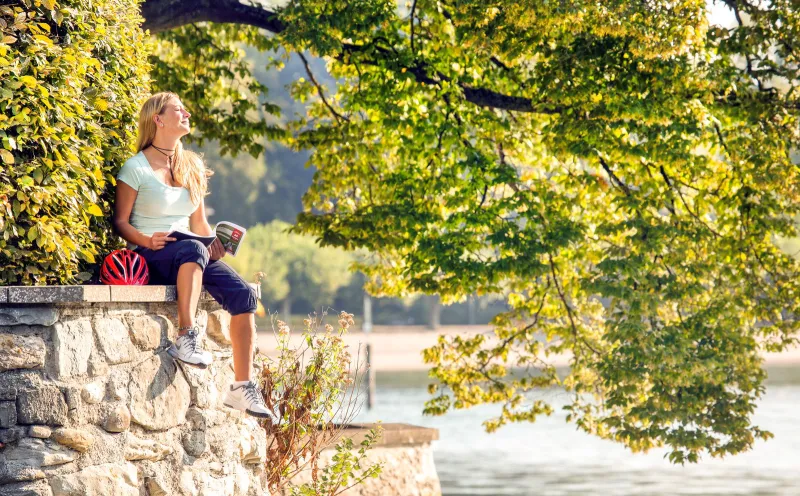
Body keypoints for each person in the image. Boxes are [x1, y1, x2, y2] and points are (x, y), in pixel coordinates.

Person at [113, 92, 275, 421]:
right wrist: (146, 239)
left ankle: (242, 387)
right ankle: (187, 337)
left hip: (190, 250)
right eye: (178, 110)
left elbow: (199, 224)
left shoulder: (192, 166)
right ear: (158, 119)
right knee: (191, 248)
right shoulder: (136, 167)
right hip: (151, 253)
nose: (186, 113)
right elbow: (120, 222)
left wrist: (214, 242)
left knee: (244, 295)